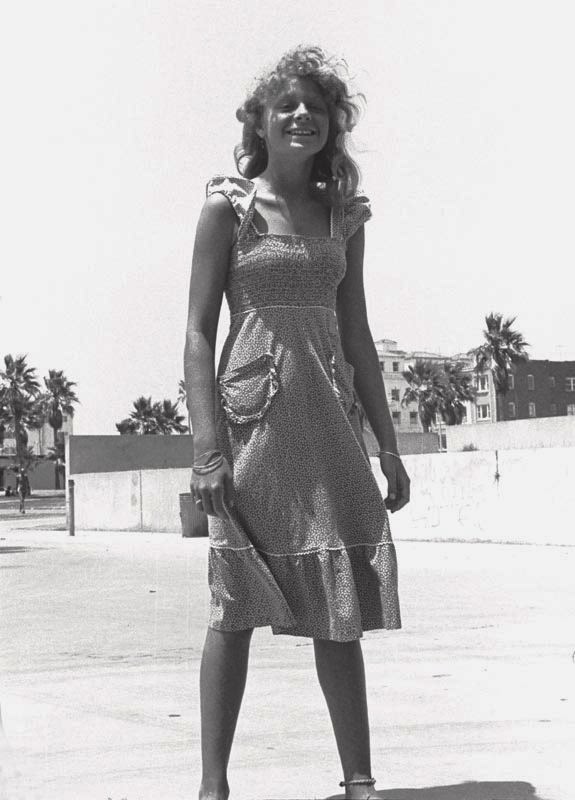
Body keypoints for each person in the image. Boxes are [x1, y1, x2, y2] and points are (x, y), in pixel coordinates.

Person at [184, 45, 410, 800]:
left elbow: (359, 338)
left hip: (330, 427)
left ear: (330, 126)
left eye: (315, 107)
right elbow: (196, 331)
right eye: (286, 105)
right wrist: (208, 449)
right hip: (251, 426)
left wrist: (389, 448)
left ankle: (358, 779)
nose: (301, 115)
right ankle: (213, 786)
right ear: (260, 120)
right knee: (234, 604)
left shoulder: (344, 217)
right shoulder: (229, 206)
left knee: (336, 605)